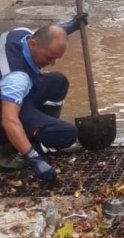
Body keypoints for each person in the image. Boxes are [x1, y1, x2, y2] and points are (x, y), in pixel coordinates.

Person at [0, 13, 89, 183]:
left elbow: (50, 34)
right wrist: (34, 159)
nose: (52, 63)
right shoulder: (16, 78)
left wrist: (72, 25)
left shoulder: (23, 33)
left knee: (58, 81)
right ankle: (5, 147)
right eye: (49, 57)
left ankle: (40, 137)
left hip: (16, 91)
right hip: (6, 107)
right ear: (33, 44)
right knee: (67, 134)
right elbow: (9, 120)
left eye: (55, 58)